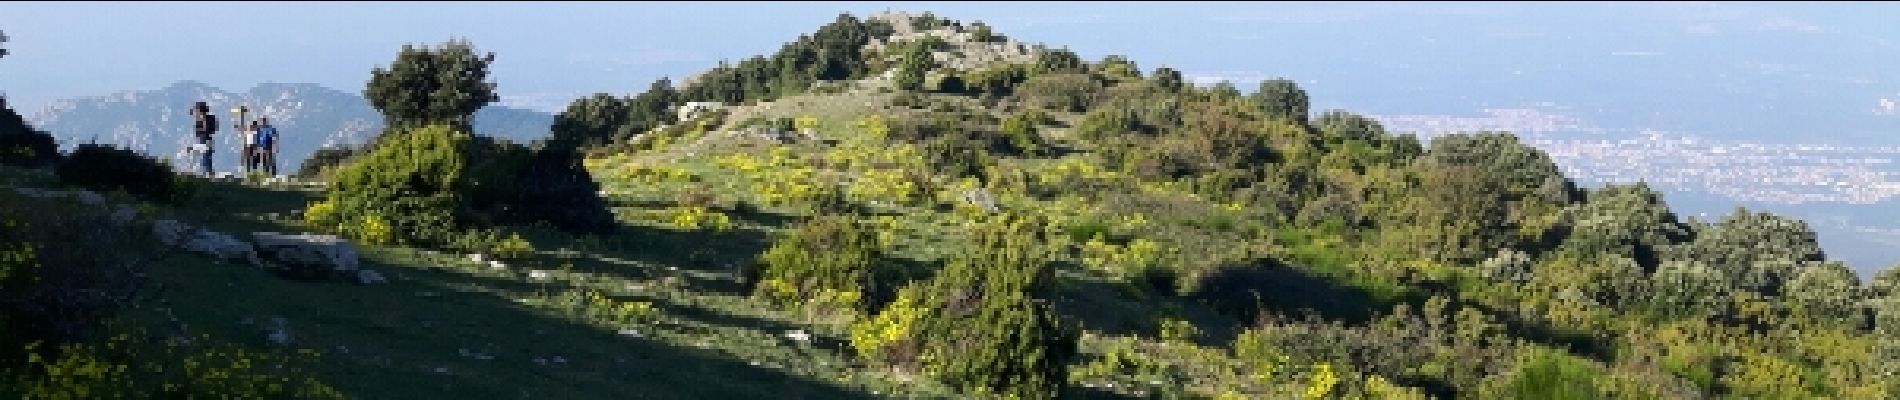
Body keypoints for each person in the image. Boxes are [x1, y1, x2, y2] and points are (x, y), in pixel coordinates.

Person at [190, 101, 218, 175]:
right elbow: (197, 132)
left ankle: (208, 173)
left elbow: (210, 130)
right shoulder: (198, 120)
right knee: (201, 157)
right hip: (201, 141)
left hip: (208, 140)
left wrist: (204, 120)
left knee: (206, 157)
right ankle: (204, 172)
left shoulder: (211, 118)